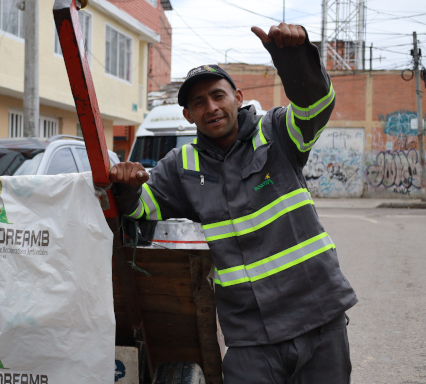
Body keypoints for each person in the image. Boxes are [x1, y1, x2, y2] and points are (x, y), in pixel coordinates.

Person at [109, 23, 358, 384]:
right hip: (250, 336)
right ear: (188, 115)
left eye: (218, 95)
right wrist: (128, 187)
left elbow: (314, 103)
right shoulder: (181, 167)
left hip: (317, 316)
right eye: (198, 102)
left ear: (238, 97)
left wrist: (293, 57)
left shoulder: (276, 133)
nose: (210, 107)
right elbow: (142, 209)